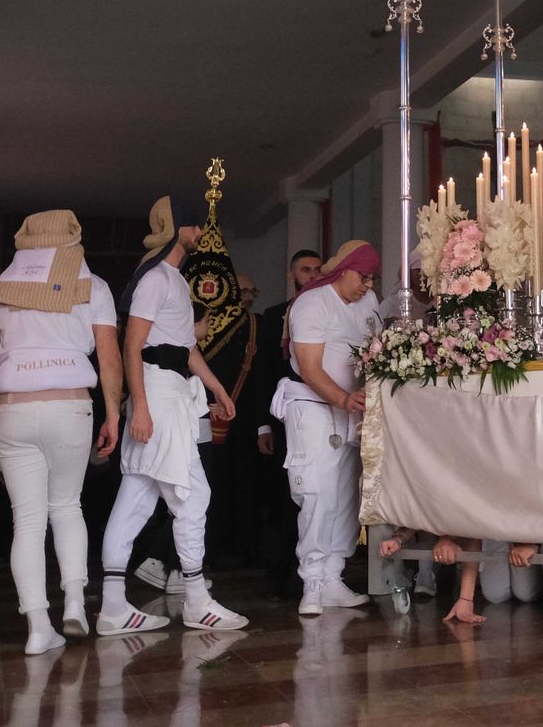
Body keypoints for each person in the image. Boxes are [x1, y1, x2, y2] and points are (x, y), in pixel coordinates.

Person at [0, 210, 124, 654]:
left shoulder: (0, 286)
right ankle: (74, 605)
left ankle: (38, 627)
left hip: (15, 409)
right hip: (70, 406)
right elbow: (109, 358)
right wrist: (113, 414)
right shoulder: (94, 286)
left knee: (28, 522)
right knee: (67, 507)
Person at [99, 196, 247, 635]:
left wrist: (217, 388)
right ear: (178, 229)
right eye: (194, 226)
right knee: (193, 496)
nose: (200, 233)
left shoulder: (175, 281)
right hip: (158, 395)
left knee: (135, 500)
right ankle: (196, 600)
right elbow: (133, 346)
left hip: (170, 391)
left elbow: (185, 349)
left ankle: (113, 606)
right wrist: (141, 408)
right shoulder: (155, 280)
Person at [271, 240, 383, 616]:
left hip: (352, 410)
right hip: (314, 408)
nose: (368, 285)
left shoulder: (368, 301)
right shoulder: (312, 303)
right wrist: (342, 398)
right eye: (363, 277)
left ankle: (333, 576)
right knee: (317, 493)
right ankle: (312, 582)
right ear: (343, 271)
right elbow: (309, 366)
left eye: (372, 278)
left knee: (347, 496)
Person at [252, 248, 322, 600]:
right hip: (283, 418)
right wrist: (263, 425)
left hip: (322, 413)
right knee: (284, 496)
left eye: (317, 269)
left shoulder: (329, 311)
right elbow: (263, 372)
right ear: (292, 275)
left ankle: (316, 572)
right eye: (305, 270)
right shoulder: (274, 315)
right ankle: (279, 573)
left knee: (318, 494)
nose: (312, 275)